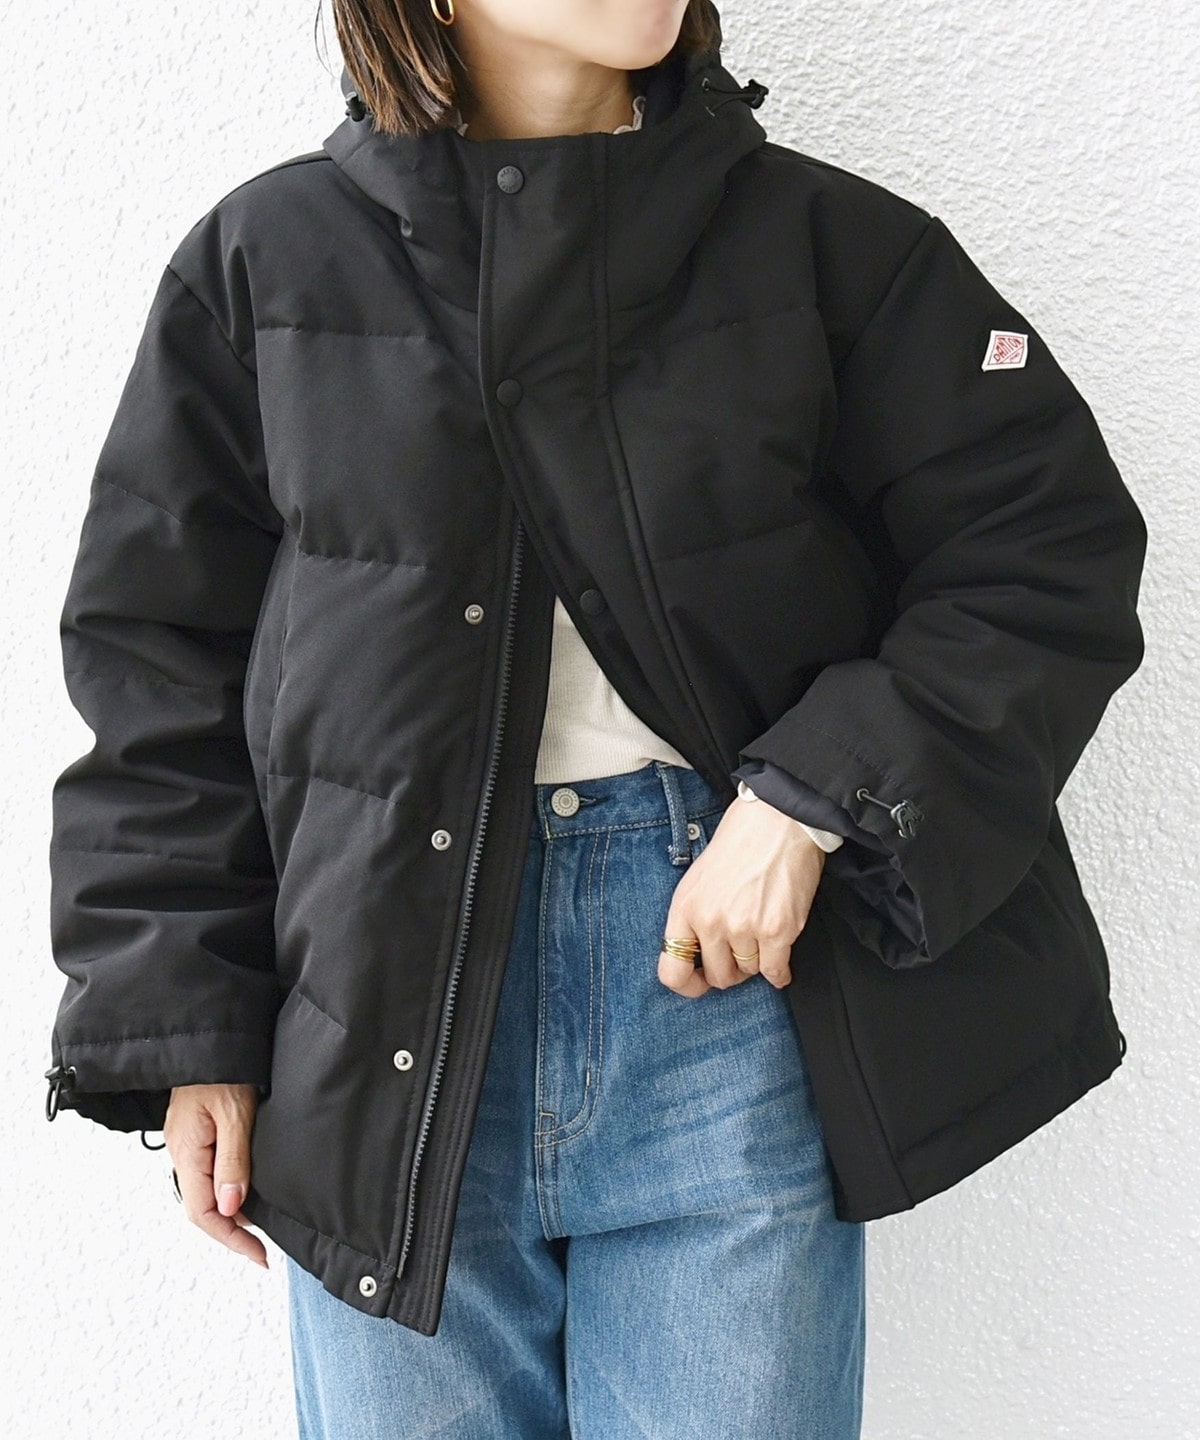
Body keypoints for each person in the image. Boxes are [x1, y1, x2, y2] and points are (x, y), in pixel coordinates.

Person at [42, 0, 1148, 1435]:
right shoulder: (266, 263)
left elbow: (1040, 552)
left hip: (722, 993)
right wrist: (190, 1023)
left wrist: (812, 801)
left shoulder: (833, 248)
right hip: (374, 1006)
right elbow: (158, 663)